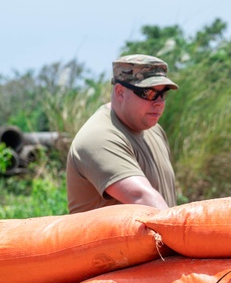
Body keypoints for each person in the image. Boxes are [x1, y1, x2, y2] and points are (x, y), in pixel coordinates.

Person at [66, 55, 178, 213]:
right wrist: (183, 234)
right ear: (120, 92)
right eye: (149, 93)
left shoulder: (155, 130)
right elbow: (140, 197)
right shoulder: (99, 138)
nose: (159, 102)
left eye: (163, 94)